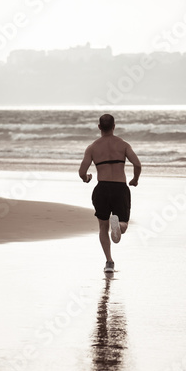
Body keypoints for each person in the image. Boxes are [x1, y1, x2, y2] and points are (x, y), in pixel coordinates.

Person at [79, 114, 141, 273]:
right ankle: (119, 226)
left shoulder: (92, 147)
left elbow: (82, 172)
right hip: (120, 188)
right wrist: (135, 179)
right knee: (124, 223)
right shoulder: (123, 145)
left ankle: (109, 262)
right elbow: (137, 164)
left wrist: (87, 178)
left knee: (102, 226)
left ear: (99, 127)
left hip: (102, 188)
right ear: (114, 126)